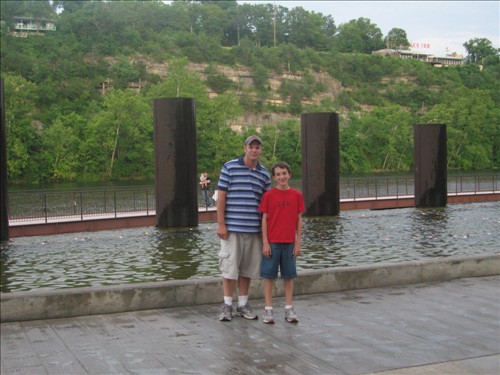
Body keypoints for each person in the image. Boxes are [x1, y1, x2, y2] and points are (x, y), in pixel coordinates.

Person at [217, 135, 271, 322]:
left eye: (257, 147)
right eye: (251, 147)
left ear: (260, 150)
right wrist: (221, 224)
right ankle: (226, 305)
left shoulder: (264, 173)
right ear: (245, 148)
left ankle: (242, 304)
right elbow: (221, 197)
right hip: (232, 228)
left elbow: (266, 205)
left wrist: (265, 233)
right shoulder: (230, 167)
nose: (254, 150)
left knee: (247, 270)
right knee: (229, 268)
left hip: (253, 230)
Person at [258, 161, 304, 324]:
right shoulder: (269, 196)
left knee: (289, 276)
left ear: (289, 175)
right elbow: (264, 220)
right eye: (278, 174)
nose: (281, 177)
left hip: (289, 243)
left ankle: (288, 308)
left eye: (284, 173)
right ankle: (268, 310)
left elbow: (299, 220)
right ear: (274, 177)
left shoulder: (296, 195)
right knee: (268, 276)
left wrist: (298, 242)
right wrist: (265, 242)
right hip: (273, 243)